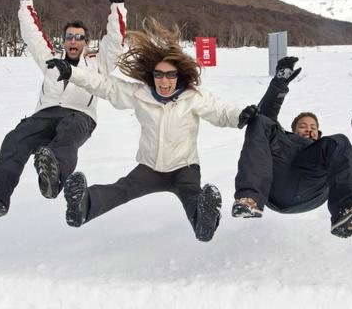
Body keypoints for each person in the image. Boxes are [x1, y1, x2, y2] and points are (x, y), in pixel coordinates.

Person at [45, 18, 257, 242]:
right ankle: (83, 206)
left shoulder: (193, 98)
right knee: (122, 189)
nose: (164, 81)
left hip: (184, 168)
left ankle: (204, 223)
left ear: (178, 76)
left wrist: (240, 116)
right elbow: (105, 85)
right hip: (150, 168)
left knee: (193, 196)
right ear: (152, 76)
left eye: (170, 75)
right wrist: (72, 72)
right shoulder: (140, 94)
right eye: (159, 75)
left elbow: (221, 111)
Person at [0, 0, 128, 216]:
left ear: (86, 42)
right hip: (45, 115)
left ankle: (53, 177)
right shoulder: (50, 59)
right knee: (16, 138)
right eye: (69, 36)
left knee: (66, 135)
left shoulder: (97, 62)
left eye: (79, 38)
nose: (73, 41)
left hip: (79, 116)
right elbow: (32, 34)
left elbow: (116, 38)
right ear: (64, 40)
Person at [232, 56, 352, 238]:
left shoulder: (324, 149)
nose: (308, 130)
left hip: (311, 189)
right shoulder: (282, 138)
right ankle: (249, 199)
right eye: (303, 126)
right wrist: (279, 82)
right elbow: (266, 115)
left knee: (339, 142)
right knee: (260, 120)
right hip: (278, 182)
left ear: (318, 133)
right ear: (293, 129)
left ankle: (347, 209)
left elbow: (349, 166)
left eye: (313, 128)